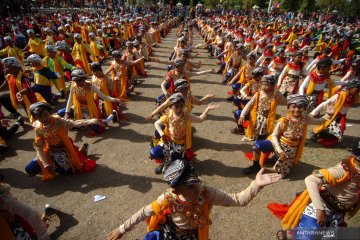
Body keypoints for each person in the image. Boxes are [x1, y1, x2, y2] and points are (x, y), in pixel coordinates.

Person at [107, 159, 282, 240]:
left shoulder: (206, 193)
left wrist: (256, 185)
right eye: (190, 186)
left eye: (196, 182)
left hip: (196, 236)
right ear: (176, 189)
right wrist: (122, 229)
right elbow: (144, 212)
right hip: (172, 233)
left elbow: (238, 200)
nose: (196, 187)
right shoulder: (168, 198)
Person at [268, 147, 360, 240]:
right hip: (322, 208)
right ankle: (296, 234)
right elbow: (311, 180)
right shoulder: (345, 169)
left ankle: (295, 234)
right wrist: (320, 210)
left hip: (338, 214)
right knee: (307, 238)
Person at [242, 94, 328, 176]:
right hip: (278, 144)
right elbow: (274, 136)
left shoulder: (306, 119)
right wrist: (279, 150)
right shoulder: (284, 120)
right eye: (294, 107)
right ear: (288, 107)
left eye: (300, 107)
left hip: (291, 149)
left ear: (304, 108)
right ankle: (256, 166)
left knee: (282, 172)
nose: (297, 109)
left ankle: (276, 160)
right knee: (256, 146)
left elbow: (320, 121)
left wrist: (329, 114)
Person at [24, 102, 98, 180]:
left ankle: (80, 152)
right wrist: (45, 164)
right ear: (35, 118)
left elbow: (74, 123)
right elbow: (39, 147)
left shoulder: (58, 121)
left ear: (49, 112)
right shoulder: (38, 128)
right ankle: (77, 153)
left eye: (45, 115)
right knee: (29, 169)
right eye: (39, 117)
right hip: (50, 151)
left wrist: (93, 121)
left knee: (69, 172)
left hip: (65, 150)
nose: (44, 119)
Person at [150, 93, 219, 174]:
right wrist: (162, 134)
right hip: (169, 141)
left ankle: (172, 161)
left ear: (184, 105)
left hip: (181, 145)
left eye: (181, 106)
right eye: (176, 106)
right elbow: (156, 123)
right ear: (171, 106)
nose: (179, 109)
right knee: (154, 152)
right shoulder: (168, 115)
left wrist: (207, 110)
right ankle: (164, 163)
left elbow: (200, 119)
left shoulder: (186, 115)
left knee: (181, 167)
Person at [310, 80, 360, 147]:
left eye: (358, 91)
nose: (357, 92)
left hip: (341, 117)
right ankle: (313, 133)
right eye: (356, 90)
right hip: (333, 115)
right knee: (324, 126)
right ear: (350, 88)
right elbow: (324, 104)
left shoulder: (355, 98)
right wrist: (313, 113)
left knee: (336, 132)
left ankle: (325, 138)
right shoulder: (339, 96)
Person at [237, 75, 284, 140]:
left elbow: (283, 102)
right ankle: (242, 130)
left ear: (273, 86)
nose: (264, 87)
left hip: (267, 119)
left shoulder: (276, 95)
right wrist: (242, 115)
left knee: (263, 136)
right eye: (263, 84)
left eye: (267, 85)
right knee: (253, 133)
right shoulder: (258, 94)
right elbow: (249, 104)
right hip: (256, 117)